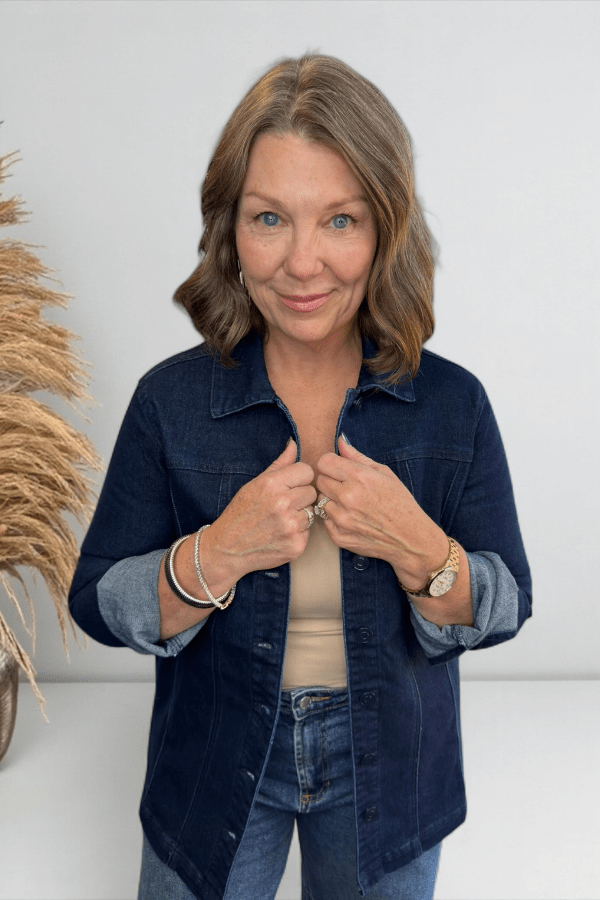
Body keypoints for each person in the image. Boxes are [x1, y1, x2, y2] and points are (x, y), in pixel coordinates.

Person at [69, 54, 532, 900]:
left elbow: (507, 604)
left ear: (385, 228)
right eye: (270, 218)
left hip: (390, 765)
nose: (303, 263)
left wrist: (422, 551)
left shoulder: (452, 405)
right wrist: (215, 555)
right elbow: (96, 602)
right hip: (214, 757)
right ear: (230, 230)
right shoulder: (171, 401)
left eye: (341, 220)